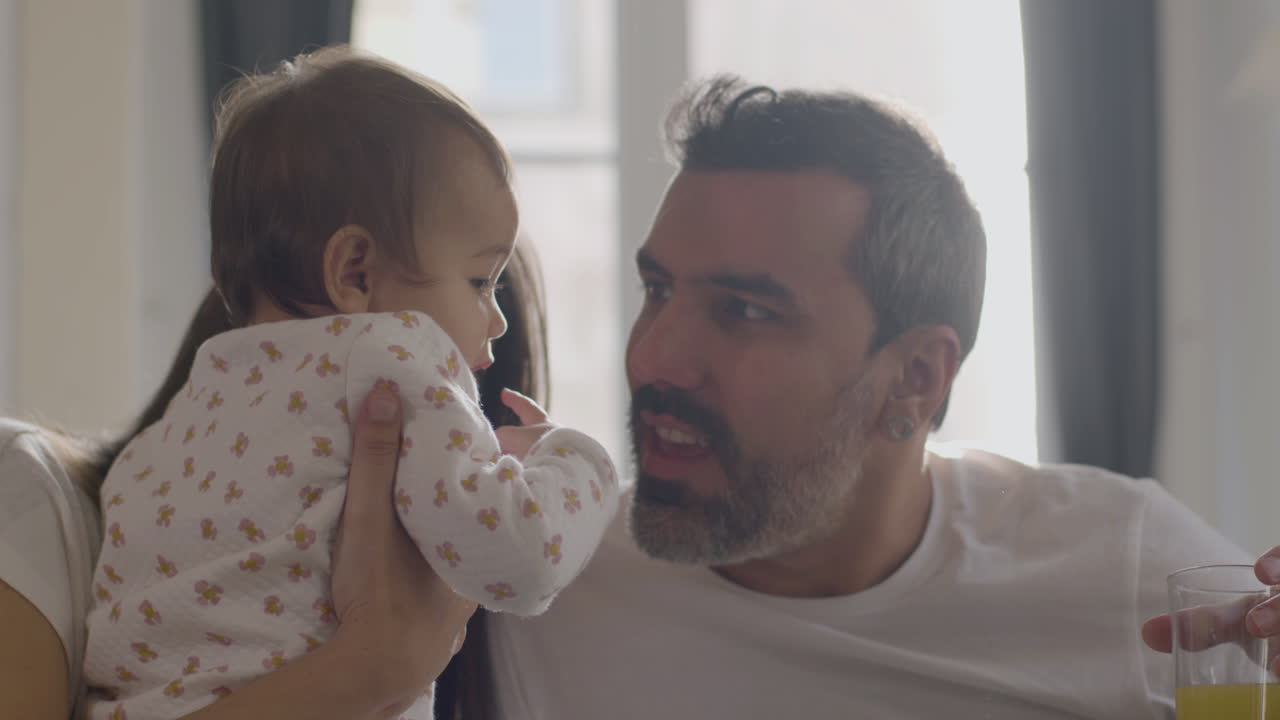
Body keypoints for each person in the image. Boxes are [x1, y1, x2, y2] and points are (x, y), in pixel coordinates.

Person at [472, 76, 1280, 719]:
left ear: (916, 378)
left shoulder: (1117, 564)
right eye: (658, 288)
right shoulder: (532, 575)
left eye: (745, 310)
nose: (652, 358)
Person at [79, 48, 617, 720]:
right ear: (356, 271)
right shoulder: (394, 353)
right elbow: (519, 560)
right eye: (481, 281)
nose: (498, 319)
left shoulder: (167, 438)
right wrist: (573, 462)